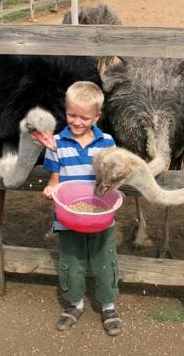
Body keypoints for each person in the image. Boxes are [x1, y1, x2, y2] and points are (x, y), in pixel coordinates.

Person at [41, 81, 121, 336]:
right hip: (68, 217)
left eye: (84, 117)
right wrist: (50, 190)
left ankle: (108, 306)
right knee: (71, 262)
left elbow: (113, 177)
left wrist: (113, 186)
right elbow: (54, 180)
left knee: (104, 261)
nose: (76, 122)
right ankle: (75, 304)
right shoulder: (56, 143)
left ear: (96, 117)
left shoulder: (106, 142)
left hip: (99, 217)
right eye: (71, 115)